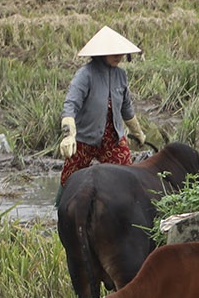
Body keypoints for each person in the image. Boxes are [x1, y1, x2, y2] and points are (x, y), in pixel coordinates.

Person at [59, 26, 148, 185]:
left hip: (112, 138)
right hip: (85, 138)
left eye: (120, 52)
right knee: (69, 180)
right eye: (114, 53)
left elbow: (126, 108)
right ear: (101, 53)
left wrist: (138, 133)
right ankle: (60, 208)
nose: (118, 56)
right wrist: (68, 136)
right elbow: (70, 106)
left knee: (127, 177)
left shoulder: (121, 75)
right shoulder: (85, 75)